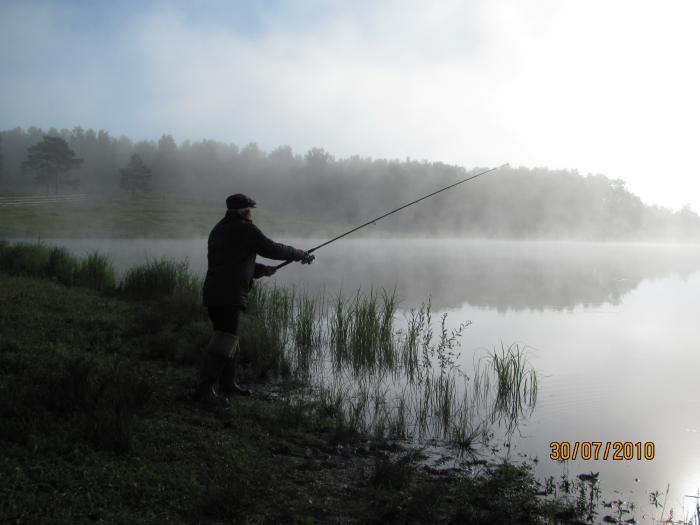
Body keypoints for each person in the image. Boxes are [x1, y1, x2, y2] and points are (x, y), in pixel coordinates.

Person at [195, 193, 314, 405]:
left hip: (215, 292)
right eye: (250, 209)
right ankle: (205, 391)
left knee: (228, 338)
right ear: (242, 211)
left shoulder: (219, 229)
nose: (252, 213)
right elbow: (271, 248)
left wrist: (259, 270)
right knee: (225, 340)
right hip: (228, 294)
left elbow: (229, 262)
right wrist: (299, 253)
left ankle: (228, 384)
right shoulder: (243, 228)